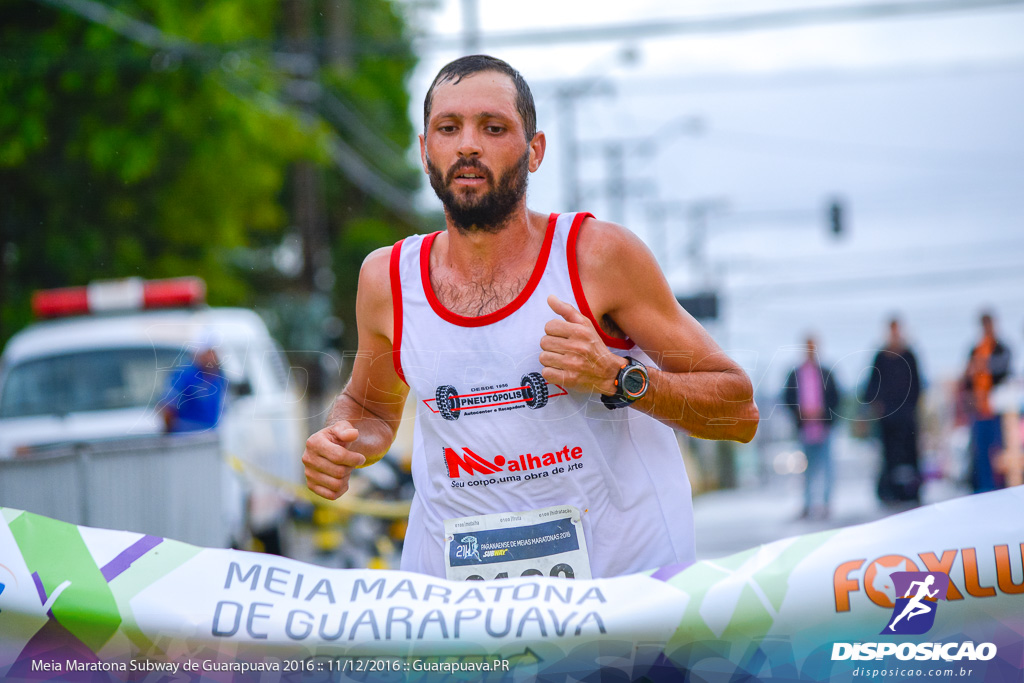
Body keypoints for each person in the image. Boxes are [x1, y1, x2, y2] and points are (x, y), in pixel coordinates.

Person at [302, 55, 759, 580]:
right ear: (426, 150)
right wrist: (341, 441)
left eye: (493, 128)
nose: (468, 144)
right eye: (448, 129)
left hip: (620, 608)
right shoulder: (386, 279)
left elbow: (738, 411)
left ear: (534, 151)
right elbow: (370, 409)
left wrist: (618, 377)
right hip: (464, 611)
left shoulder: (597, 258)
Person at [862, 317, 923, 505]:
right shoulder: (881, 356)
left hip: (906, 417)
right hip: (888, 419)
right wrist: (877, 406)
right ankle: (890, 492)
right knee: (889, 458)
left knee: (909, 456)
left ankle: (911, 491)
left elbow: (917, 385)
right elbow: (871, 386)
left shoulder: (909, 354)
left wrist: (911, 408)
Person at [783, 337, 841, 520]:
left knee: (827, 468)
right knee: (806, 469)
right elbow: (787, 398)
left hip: (824, 428)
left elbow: (836, 398)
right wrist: (800, 414)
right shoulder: (795, 374)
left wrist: (823, 414)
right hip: (804, 429)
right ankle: (807, 504)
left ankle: (825, 504)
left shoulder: (826, 372)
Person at [963, 311, 1012, 492]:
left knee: (999, 451)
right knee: (981, 453)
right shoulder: (976, 349)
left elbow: (1004, 371)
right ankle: (984, 487)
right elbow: (968, 378)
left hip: (998, 410)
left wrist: (984, 365)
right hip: (980, 410)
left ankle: (1001, 486)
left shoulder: (1002, 348)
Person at [160, 337, 227, 433]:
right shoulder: (184, 375)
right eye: (208, 353)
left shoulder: (219, 376)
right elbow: (168, 406)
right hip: (187, 436)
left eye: (213, 353)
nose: (212, 357)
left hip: (211, 434)